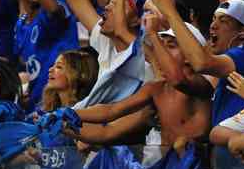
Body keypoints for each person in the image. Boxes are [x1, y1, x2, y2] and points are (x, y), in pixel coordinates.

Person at [68, 20, 214, 146]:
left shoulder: (200, 84)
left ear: (190, 56)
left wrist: (152, 34)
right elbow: (111, 114)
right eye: (161, 46)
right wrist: (66, 118)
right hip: (168, 166)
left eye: (170, 46)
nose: (161, 52)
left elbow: (179, 81)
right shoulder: (156, 87)